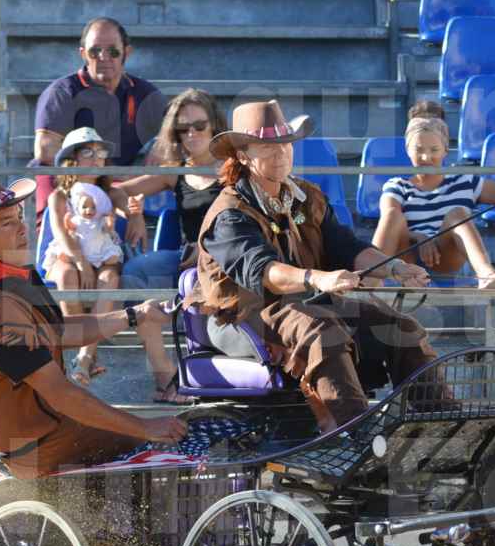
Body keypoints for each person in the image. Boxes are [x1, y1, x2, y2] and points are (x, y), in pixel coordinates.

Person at [185, 100, 440, 431]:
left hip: (302, 305)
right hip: (239, 316)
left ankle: (438, 425)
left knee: (402, 327)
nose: (281, 153)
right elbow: (264, 273)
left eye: (285, 144)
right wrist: (319, 279)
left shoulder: (308, 196)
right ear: (244, 155)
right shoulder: (230, 213)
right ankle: (357, 434)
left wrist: (395, 269)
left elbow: (348, 247)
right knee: (323, 330)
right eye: (267, 146)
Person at [0, 173, 186, 480]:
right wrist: (145, 427)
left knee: (145, 434)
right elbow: (60, 394)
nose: (22, 227)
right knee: (156, 448)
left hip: (37, 429)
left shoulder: (12, 275)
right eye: (6, 223)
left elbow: (57, 332)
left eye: (19, 216)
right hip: (32, 446)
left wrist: (133, 315)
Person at [41, 127, 167, 395]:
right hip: (68, 254)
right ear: (71, 160)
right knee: (66, 276)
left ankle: (86, 356)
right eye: (88, 152)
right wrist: (81, 264)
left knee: (110, 278)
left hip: (101, 256)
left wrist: (135, 215)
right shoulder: (59, 197)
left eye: (100, 153)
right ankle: (78, 348)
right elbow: (61, 233)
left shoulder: (110, 193)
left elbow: (126, 208)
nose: (96, 158)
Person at [374, 110, 495, 288]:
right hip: (404, 257)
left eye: (434, 150)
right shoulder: (396, 185)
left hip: (445, 258)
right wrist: (419, 237)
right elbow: (388, 219)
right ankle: (370, 278)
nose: (426, 157)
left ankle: (486, 273)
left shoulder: (465, 181)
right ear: (408, 150)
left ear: (446, 150)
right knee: (393, 216)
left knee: (458, 214)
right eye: (418, 149)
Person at [115, 88, 228, 284]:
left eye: (200, 125)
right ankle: (145, 316)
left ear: (214, 125)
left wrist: (207, 250)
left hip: (228, 254)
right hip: (186, 258)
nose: (192, 133)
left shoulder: (234, 167)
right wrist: (133, 213)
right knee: (135, 271)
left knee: (198, 280)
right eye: (183, 128)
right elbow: (117, 190)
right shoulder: (174, 173)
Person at [32, 17, 167, 169]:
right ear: (83, 54)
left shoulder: (145, 94)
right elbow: (46, 152)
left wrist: (163, 145)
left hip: (124, 186)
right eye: (95, 51)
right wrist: (102, 177)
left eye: (113, 51)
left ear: (126, 52)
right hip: (67, 184)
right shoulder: (62, 92)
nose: (104, 57)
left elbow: (183, 134)